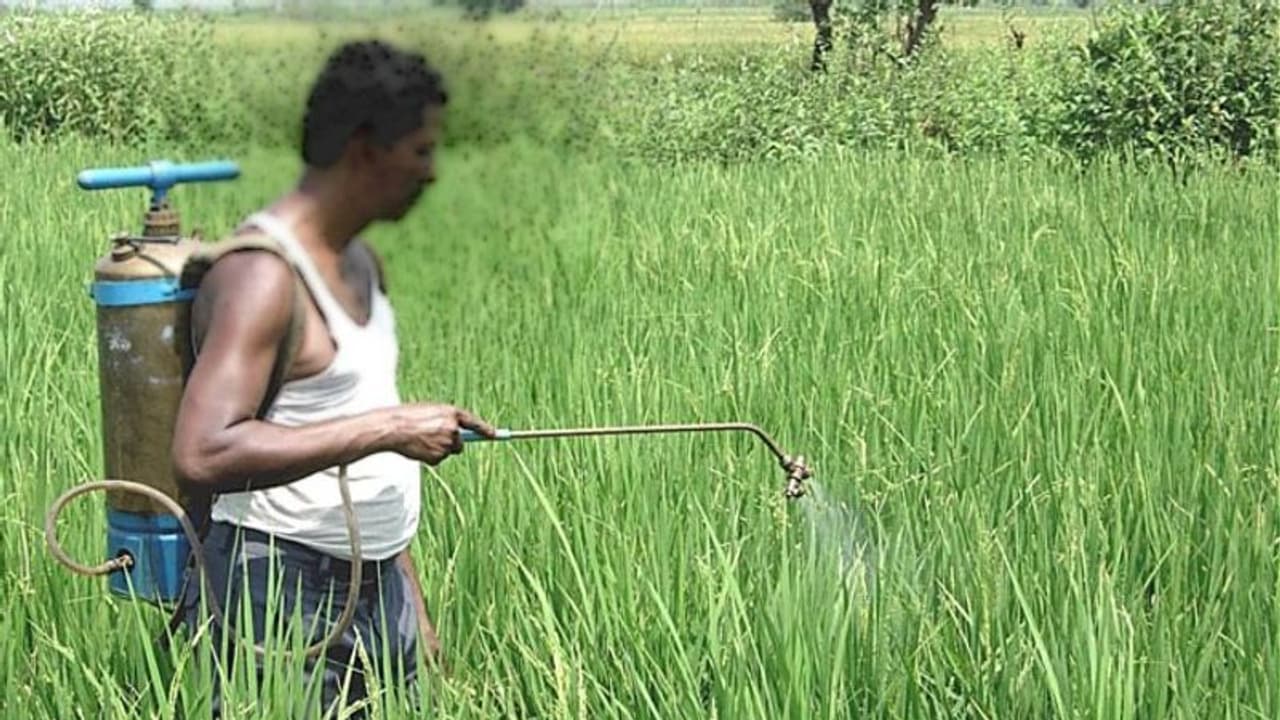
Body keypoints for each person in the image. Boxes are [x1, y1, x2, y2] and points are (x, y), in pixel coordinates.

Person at [169, 38, 496, 718]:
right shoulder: (262, 278)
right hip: (278, 587)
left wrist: (411, 607)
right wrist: (391, 428)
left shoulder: (363, 264)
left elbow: (368, 436)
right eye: (421, 150)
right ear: (364, 151)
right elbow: (202, 452)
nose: (433, 172)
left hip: (376, 587)